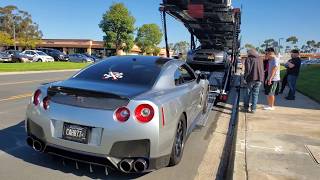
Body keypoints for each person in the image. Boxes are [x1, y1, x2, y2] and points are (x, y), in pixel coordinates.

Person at [243, 49, 264, 113]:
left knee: (247, 94)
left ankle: (246, 108)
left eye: (247, 53)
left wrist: (244, 78)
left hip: (251, 79)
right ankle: (253, 109)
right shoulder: (260, 59)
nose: (247, 54)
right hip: (259, 79)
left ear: (250, 53)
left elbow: (247, 70)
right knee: (255, 94)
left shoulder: (248, 59)